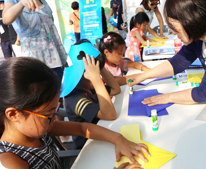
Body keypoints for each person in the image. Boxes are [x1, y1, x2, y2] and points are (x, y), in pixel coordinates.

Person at [0, 57, 149, 169]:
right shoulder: (10, 160)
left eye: (55, 110)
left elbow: (82, 128)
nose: (54, 120)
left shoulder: (36, 128)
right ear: (14, 115)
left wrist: (118, 139)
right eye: (49, 114)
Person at [127, 0, 206, 106]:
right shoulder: (200, 35)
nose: (172, 32)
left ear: (190, 19)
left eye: (174, 28)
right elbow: (178, 62)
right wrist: (144, 76)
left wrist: (167, 97)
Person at [3, 0, 68, 142]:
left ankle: (60, 135)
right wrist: (21, 3)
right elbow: (7, 18)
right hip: (36, 60)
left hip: (54, 57)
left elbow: (53, 31)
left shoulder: (43, 1)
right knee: (40, 103)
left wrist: (63, 60)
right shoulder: (13, 1)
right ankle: (48, 138)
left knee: (57, 97)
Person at [61, 40, 121, 149]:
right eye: (94, 72)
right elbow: (110, 115)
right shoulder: (75, 99)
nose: (98, 76)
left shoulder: (89, 87)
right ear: (79, 74)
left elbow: (115, 89)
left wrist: (100, 65)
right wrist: (96, 79)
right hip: (89, 147)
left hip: (104, 132)